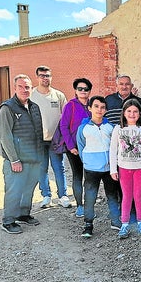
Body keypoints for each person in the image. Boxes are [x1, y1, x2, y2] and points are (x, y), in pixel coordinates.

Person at [0, 74, 43, 234]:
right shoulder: (7, 108)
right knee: (14, 190)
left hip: (34, 158)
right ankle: (8, 221)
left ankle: (23, 214)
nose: (25, 90)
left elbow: (38, 133)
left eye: (28, 87)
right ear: (14, 88)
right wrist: (14, 160)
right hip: (17, 161)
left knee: (29, 188)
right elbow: (5, 137)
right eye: (21, 87)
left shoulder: (35, 107)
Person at [76, 96, 121, 237]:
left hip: (109, 168)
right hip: (91, 169)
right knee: (90, 196)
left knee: (112, 195)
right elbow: (81, 145)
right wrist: (88, 161)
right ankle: (88, 224)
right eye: (96, 106)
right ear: (89, 108)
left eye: (102, 107)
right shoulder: (83, 128)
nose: (99, 110)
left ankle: (115, 220)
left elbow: (116, 146)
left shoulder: (111, 127)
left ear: (106, 110)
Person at [110, 99, 141, 238]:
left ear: (140, 114)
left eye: (135, 111)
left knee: (138, 195)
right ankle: (124, 223)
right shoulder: (118, 129)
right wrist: (113, 169)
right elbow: (113, 150)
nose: (132, 114)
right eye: (129, 111)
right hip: (124, 168)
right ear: (124, 113)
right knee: (126, 196)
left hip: (140, 167)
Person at [30, 65, 71, 209]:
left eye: (47, 75)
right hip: (38, 140)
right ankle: (46, 196)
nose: (45, 78)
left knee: (59, 168)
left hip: (56, 140)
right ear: (37, 77)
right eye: (42, 75)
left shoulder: (58, 95)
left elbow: (66, 117)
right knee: (41, 168)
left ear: (51, 77)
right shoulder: (31, 95)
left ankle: (63, 196)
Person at [60, 78, 92, 218]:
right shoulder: (70, 106)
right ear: (75, 90)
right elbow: (63, 126)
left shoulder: (93, 105)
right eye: (80, 89)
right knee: (78, 175)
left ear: (90, 90)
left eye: (86, 89)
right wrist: (71, 146)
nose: (83, 91)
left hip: (91, 148)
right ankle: (80, 205)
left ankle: (89, 206)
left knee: (90, 178)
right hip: (74, 148)